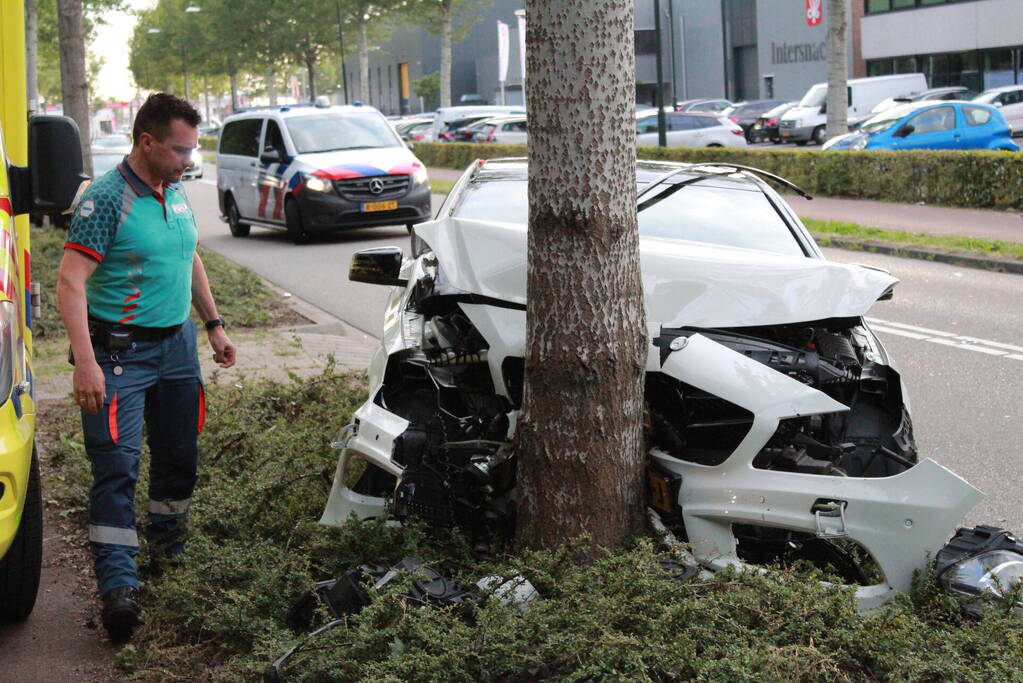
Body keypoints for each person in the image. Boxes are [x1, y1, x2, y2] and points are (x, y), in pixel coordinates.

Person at [56, 93, 236, 641]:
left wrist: (213, 323)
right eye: (180, 149)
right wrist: (85, 363)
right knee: (116, 466)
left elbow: (188, 256)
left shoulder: (173, 190)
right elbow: (70, 283)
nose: (188, 159)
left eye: (192, 149)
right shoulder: (106, 200)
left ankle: (169, 549)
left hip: (177, 347)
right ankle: (119, 588)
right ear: (147, 142)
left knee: (180, 455)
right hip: (119, 356)